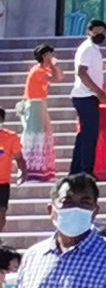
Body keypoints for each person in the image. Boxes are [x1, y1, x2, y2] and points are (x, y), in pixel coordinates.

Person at [69, 21, 106, 178]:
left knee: (84, 134)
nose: (100, 35)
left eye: (103, 32)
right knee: (89, 135)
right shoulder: (87, 49)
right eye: (96, 32)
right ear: (89, 31)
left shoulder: (94, 49)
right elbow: (82, 73)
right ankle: (86, 171)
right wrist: (99, 92)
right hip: (85, 96)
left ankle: (77, 170)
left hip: (87, 95)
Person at [19, 43, 57, 194]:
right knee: (35, 137)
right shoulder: (38, 71)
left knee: (42, 136)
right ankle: (30, 170)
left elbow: (58, 76)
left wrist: (52, 65)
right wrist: (53, 65)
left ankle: (41, 170)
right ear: (43, 56)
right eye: (49, 54)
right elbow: (55, 78)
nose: (51, 57)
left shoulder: (42, 70)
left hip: (39, 105)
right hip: (34, 105)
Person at [0, 103, 23, 235]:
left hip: (3, 182)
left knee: (1, 213)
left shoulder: (11, 137)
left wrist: (21, 172)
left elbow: (19, 158)